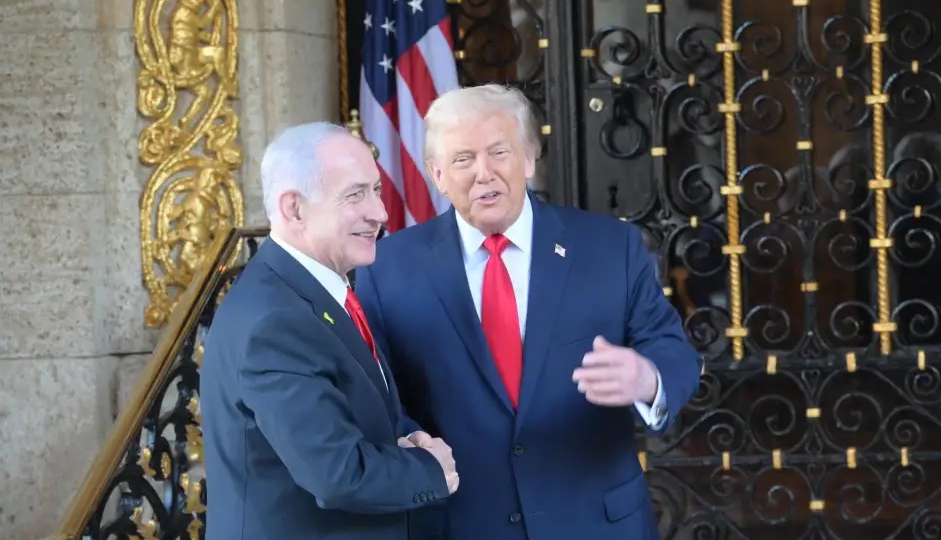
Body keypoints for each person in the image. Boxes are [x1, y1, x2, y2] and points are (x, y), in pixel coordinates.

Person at [354, 85, 704, 539]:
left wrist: (648, 379)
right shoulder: (387, 267)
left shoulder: (609, 248)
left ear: (529, 160)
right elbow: (377, 391)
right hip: (462, 523)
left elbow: (671, 348)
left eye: (499, 152)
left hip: (595, 523)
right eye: (463, 159)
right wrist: (410, 443)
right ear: (437, 175)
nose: (484, 173)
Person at [200, 122, 459, 540]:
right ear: (294, 209)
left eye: (376, 190)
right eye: (355, 195)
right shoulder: (275, 321)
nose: (379, 212)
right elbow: (336, 473)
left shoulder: (308, 291)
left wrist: (409, 436)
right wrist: (432, 470)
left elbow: (359, 410)